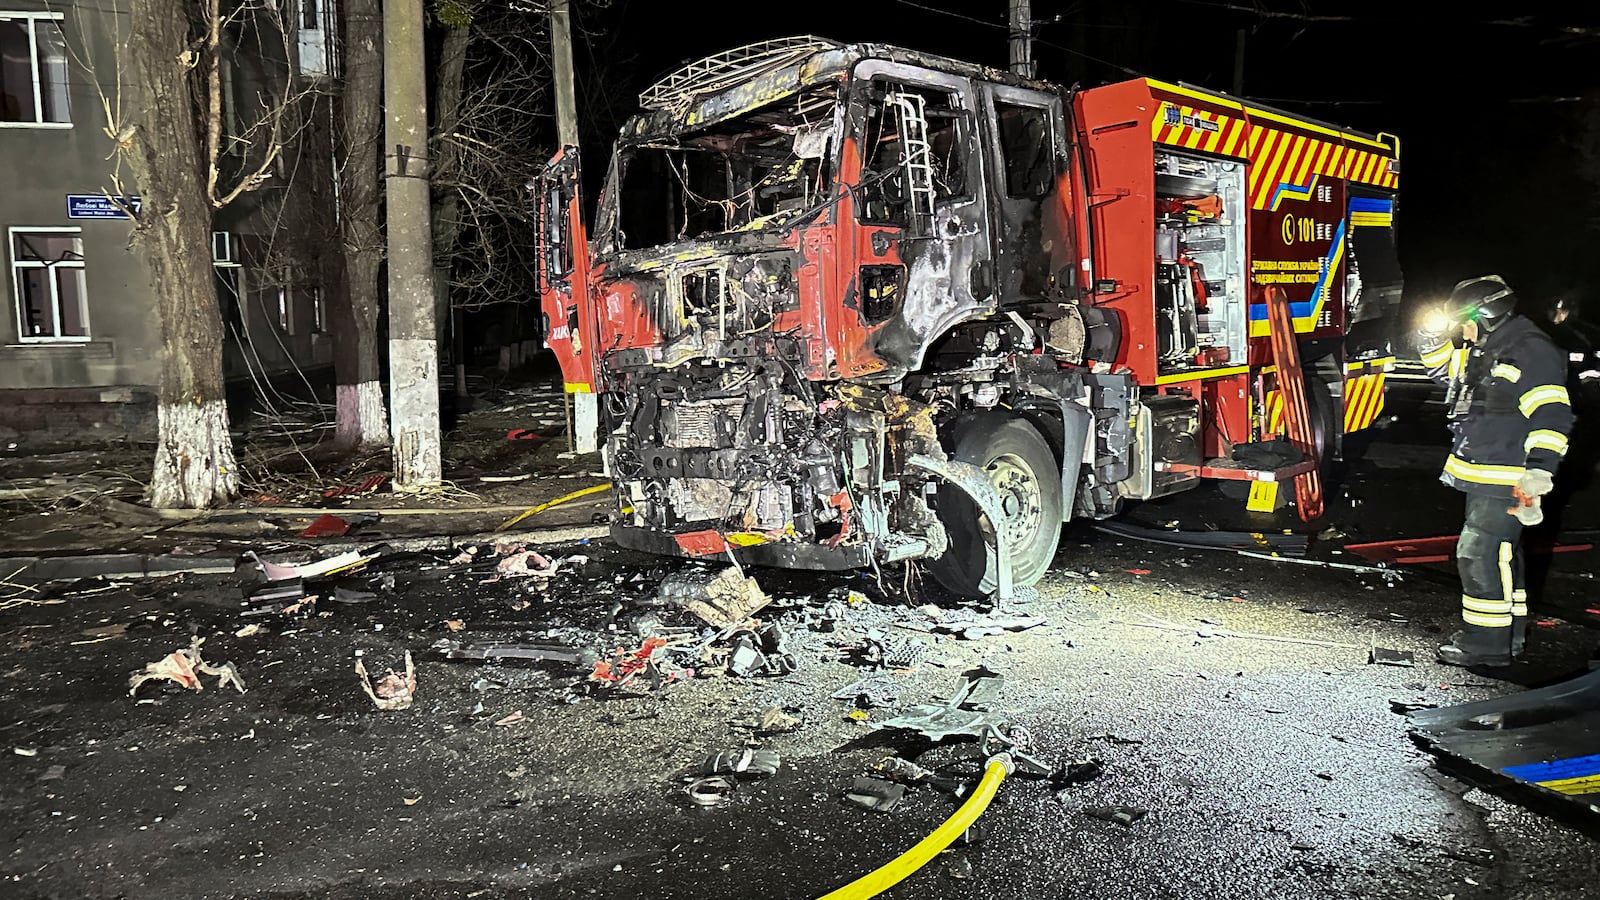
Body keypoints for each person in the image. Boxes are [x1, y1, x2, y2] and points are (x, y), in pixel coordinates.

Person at [1416, 275, 1575, 666]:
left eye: (1462, 320)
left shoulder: (1528, 349)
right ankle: (1510, 637)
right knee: (1504, 554)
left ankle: (1485, 646)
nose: (1460, 329)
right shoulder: (1488, 347)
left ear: (1485, 316)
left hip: (1507, 473)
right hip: (1486, 469)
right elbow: (1444, 375)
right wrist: (1429, 335)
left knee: (1478, 553)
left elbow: (1552, 413)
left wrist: (1539, 472)